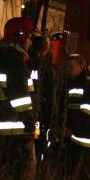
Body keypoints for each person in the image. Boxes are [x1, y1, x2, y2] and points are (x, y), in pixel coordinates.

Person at [0, 17, 35, 180]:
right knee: (15, 175)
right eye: (29, 38)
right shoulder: (15, 64)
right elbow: (20, 97)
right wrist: (29, 121)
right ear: (20, 37)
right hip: (16, 129)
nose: (31, 42)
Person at [63, 54, 90, 180]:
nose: (68, 70)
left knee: (83, 177)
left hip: (85, 139)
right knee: (73, 177)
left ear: (81, 67)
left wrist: (72, 130)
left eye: (71, 67)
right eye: (67, 67)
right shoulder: (74, 84)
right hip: (73, 138)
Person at [27, 34, 58, 168]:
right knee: (41, 145)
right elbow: (51, 92)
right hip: (41, 113)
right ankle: (41, 174)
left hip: (26, 112)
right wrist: (52, 115)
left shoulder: (25, 64)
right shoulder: (46, 67)